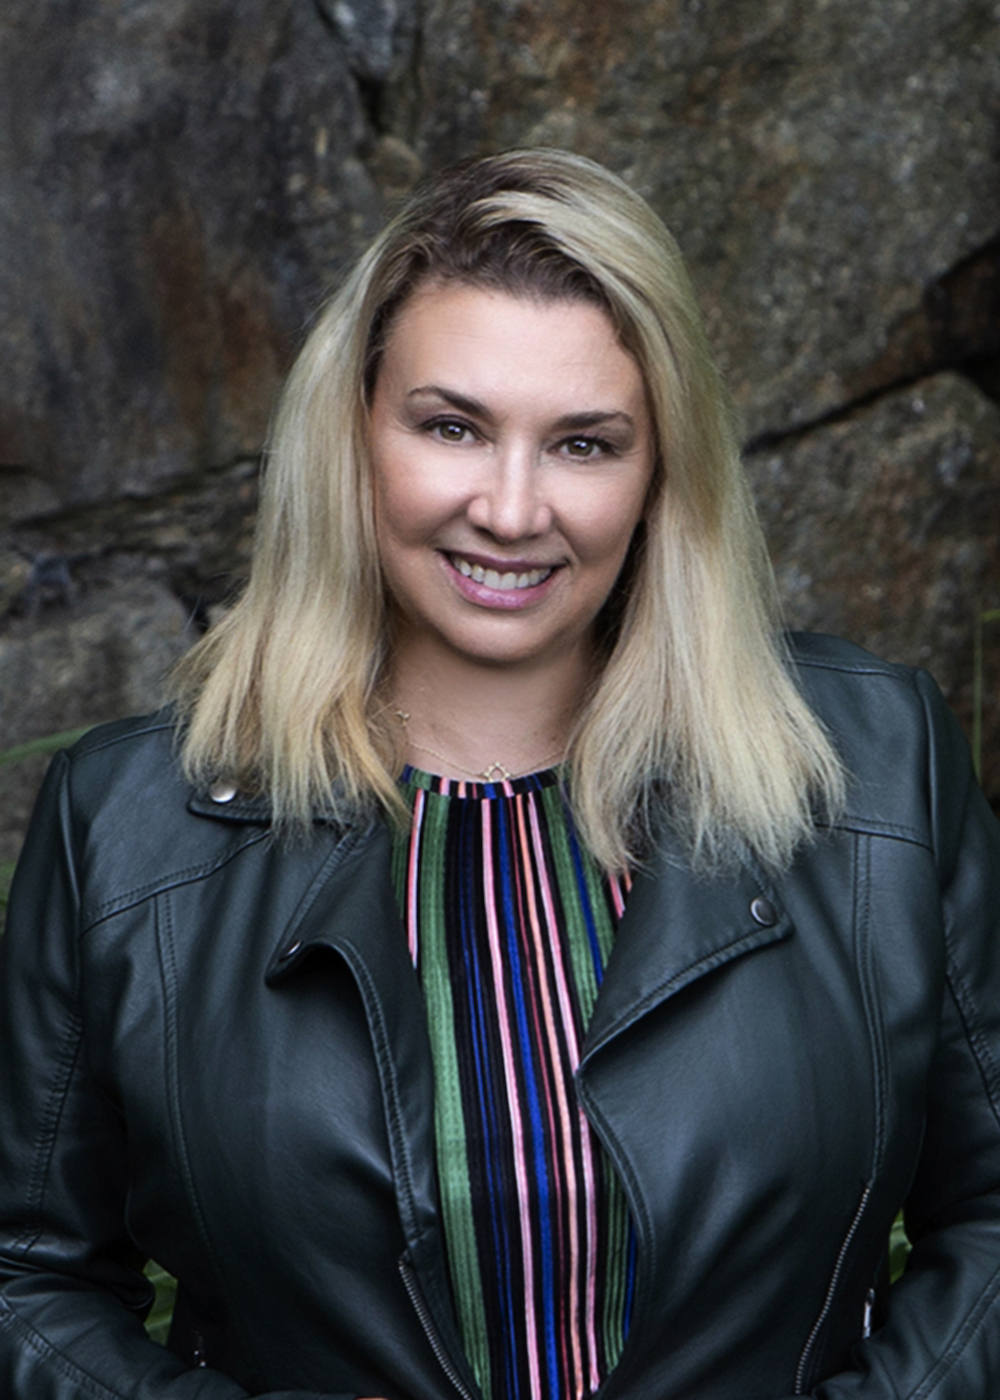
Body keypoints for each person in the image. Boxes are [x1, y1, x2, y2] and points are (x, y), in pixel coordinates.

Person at [0, 148, 997, 1400]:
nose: (512, 509)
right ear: (354, 434)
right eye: (452, 425)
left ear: (659, 476)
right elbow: (23, 1275)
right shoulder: (128, 824)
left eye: (584, 444)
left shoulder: (878, 769)